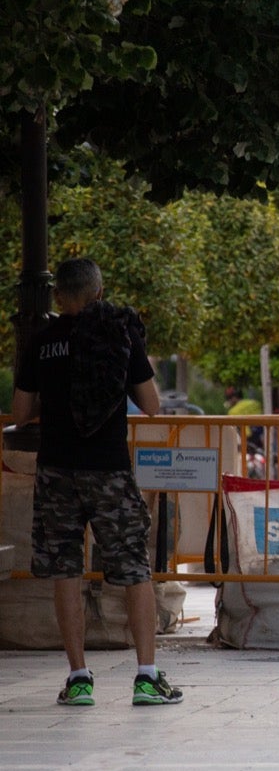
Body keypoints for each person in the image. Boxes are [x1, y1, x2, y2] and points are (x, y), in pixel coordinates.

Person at [12, 258, 177, 708]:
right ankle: (147, 677)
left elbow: (23, 413)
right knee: (133, 569)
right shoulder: (118, 333)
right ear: (99, 292)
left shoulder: (42, 340)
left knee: (65, 569)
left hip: (57, 471)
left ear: (60, 297)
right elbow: (152, 404)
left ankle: (79, 679)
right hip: (109, 470)